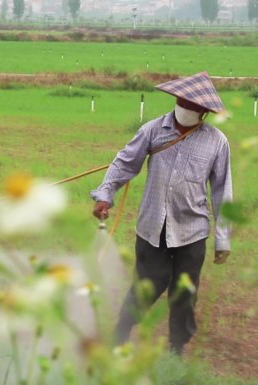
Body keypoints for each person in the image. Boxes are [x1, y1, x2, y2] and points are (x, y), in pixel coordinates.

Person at [90, 72, 233, 355]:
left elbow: (222, 192)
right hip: (151, 227)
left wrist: (223, 239)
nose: (184, 108)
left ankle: (176, 348)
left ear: (203, 112)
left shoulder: (217, 142)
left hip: (192, 231)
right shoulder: (152, 130)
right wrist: (105, 195)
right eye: (181, 101)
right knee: (146, 286)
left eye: (191, 106)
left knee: (184, 294)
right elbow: (124, 164)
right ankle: (121, 333)